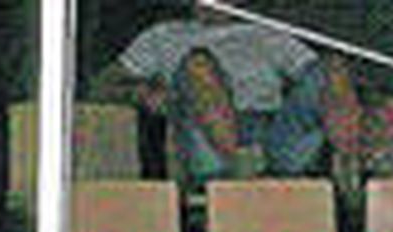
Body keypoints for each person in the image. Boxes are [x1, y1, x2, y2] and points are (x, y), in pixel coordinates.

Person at [90, 1, 364, 187]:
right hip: (202, 136)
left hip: (276, 135)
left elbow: (321, 80)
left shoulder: (264, 32)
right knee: (199, 64)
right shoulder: (163, 35)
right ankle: (229, 177)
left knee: (334, 66)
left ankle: (355, 180)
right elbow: (102, 85)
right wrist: (141, 92)